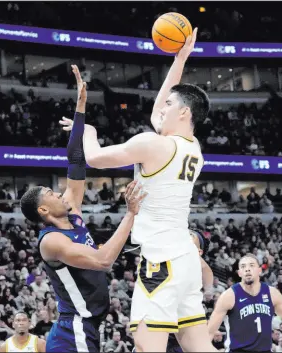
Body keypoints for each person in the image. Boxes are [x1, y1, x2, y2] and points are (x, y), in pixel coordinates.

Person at [61, 28, 217, 352]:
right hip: (187, 259)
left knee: (147, 348)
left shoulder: (153, 144)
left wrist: (87, 129)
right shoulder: (194, 147)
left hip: (161, 259)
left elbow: (94, 158)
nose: (162, 107)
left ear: (184, 113)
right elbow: (159, 109)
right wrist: (181, 58)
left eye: (170, 104)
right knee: (201, 348)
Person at [20, 65, 147, 352]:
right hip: (73, 328)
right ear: (43, 210)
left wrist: (81, 106)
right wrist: (130, 213)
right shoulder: (52, 241)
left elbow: (76, 159)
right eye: (52, 193)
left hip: (87, 326)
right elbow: (103, 261)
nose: (61, 193)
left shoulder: (73, 215)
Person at [166, 229, 214, 353]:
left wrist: (208, 290)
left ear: (199, 251)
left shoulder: (190, 256)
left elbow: (206, 269)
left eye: (191, 235)